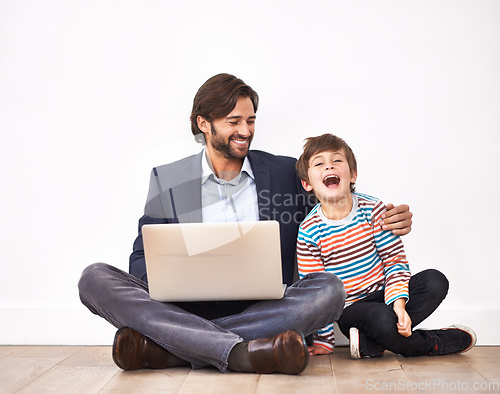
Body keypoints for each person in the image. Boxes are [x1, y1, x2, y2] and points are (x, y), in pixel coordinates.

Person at [78, 74, 413, 374]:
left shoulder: (284, 172)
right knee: (94, 278)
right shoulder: (169, 180)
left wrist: (388, 217)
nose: (245, 131)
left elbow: (338, 205)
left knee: (329, 290)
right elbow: (140, 260)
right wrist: (171, 284)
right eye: (233, 120)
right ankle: (239, 352)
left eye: (250, 120)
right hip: (186, 309)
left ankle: (172, 348)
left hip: (267, 308)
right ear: (204, 124)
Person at [295, 133, 476, 359]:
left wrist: (399, 306)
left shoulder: (374, 210)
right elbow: (316, 293)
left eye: (337, 161)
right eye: (319, 163)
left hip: (386, 295)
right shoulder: (309, 230)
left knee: (434, 281)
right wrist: (324, 341)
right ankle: (435, 342)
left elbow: (394, 261)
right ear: (307, 183)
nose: (329, 166)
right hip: (351, 310)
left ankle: (371, 343)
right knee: (380, 317)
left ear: (353, 174)